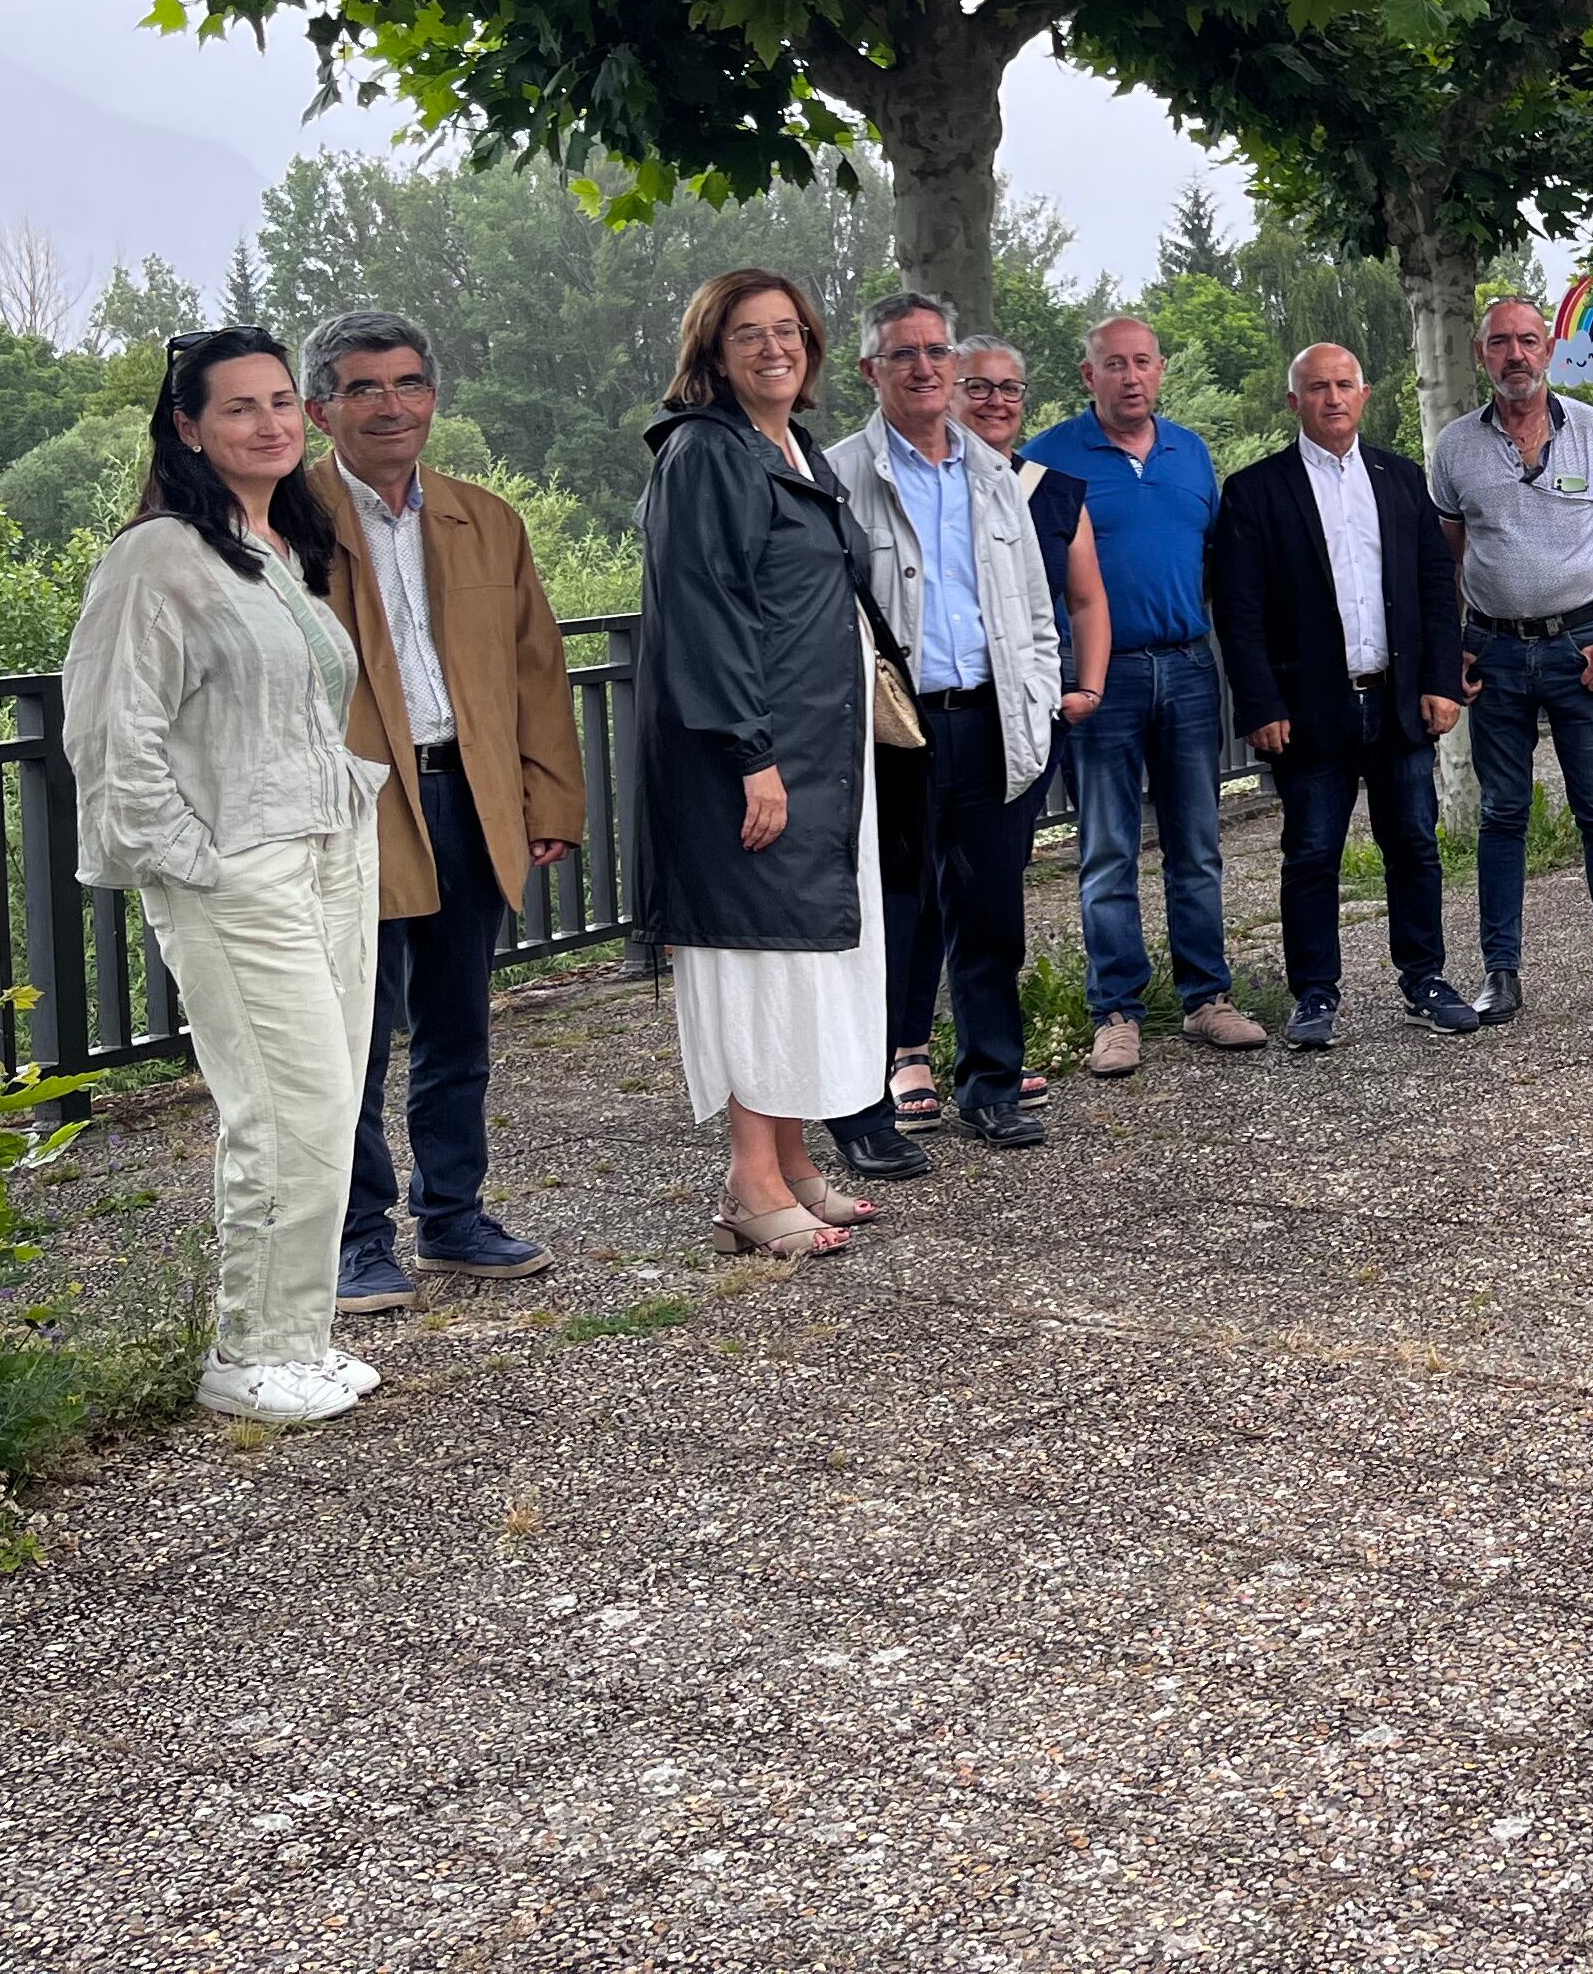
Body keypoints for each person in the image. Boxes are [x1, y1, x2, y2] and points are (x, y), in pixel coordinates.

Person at [61, 330, 393, 1428]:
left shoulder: (278, 546)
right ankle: (246, 1351)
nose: (271, 423)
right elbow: (112, 734)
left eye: (284, 401)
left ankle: (299, 1336)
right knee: (285, 1110)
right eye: (240, 407)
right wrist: (194, 861)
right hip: (238, 869)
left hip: (331, 852)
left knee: (331, 1104)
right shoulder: (155, 558)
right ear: (189, 430)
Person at [300, 308, 589, 1316]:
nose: (391, 405)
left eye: (410, 383)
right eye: (365, 387)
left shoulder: (483, 517)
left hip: (467, 792)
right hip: (352, 803)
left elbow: (536, 668)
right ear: (318, 408)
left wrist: (547, 795)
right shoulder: (282, 522)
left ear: (434, 397)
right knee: (354, 1030)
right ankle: (354, 1236)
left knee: (460, 1023)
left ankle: (455, 1215)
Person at [632, 269, 887, 1259]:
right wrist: (753, 758)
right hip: (751, 760)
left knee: (796, 956)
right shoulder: (705, 454)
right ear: (712, 350)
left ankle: (790, 1160)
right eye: (749, 334)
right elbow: (707, 615)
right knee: (748, 957)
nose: (774, 348)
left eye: (789, 331)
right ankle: (748, 1180)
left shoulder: (792, 448)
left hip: (815, 752)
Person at [820, 292, 1065, 1162]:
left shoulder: (996, 474)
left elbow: (1036, 611)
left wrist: (1037, 693)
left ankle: (993, 1086)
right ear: (869, 371)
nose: (925, 368)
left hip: (992, 718)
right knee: (893, 918)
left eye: (936, 352)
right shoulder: (838, 473)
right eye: (903, 354)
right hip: (895, 731)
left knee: (994, 913)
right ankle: (867, 1109)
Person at [1208, 343, 1469, 1050]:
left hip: (1398, 700)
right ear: (1294, 401)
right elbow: (1239, 611)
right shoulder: (1256, 491)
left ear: (1365, 393)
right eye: (1316, 388)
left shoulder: (1401, 479)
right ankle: (1315, 993)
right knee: (1312, 853)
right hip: (1308, 707)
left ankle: (1424, 979)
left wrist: (1443, 683)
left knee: (1413, 844)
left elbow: (1437, 592)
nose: (1332, 399)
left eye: (1344, 385)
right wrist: (1260, 705)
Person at [1430, 296, 1593, 1023]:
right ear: (1481, 356)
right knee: (1503, 814)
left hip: (1583, 650)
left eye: (1528, 341)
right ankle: (1501, 974)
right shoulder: (1454, 449)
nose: (1516, 357)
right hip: (1496, 653)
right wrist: (1453, 650)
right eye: (1500, 343)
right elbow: (1444, 562)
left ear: (1550, 352)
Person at [1024, 316, 1249, 1066]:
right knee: (1108, 849)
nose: (1130, 377)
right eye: (1113, 364)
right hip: (1100, 678)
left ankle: (1206, 998)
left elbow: (1214, 556)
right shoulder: (1047, 459)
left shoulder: (1192, 452)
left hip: (1186, 665)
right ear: (1088, 376)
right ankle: (1115, 1009)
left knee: (1198, 845)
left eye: (1143, 362)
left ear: (1160, 371)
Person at [956, 332, 1110, 875]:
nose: (996, 401)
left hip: (1028, 708)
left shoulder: (1054, 492)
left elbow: (1087, 600)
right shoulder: (928, 489)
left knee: (1000, 868)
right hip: (945, 711)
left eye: (1009, 388)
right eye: (978, 387)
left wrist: (1087, 689)